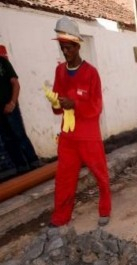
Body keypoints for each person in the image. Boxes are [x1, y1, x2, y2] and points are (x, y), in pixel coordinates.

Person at [44, 17, 111, 227]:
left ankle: (105, 209)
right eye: (62, 48)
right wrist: (55, 102)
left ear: (77, 45)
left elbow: (96, 107)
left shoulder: (91, 74)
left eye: (69, 48)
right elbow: (57, 109)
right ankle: (61, 216)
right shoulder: (59, 72)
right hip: (68, 137)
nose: (65, 52)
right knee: (64, 178)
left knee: (100, 174)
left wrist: (75, 105)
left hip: (89, 136)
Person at [0, 44, 40, 178]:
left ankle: (34, 163)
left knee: (19, 135)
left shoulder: (3, 62)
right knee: (7, 140)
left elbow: (15, 83)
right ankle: (21, 168)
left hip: (10, 107)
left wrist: (12, 103)